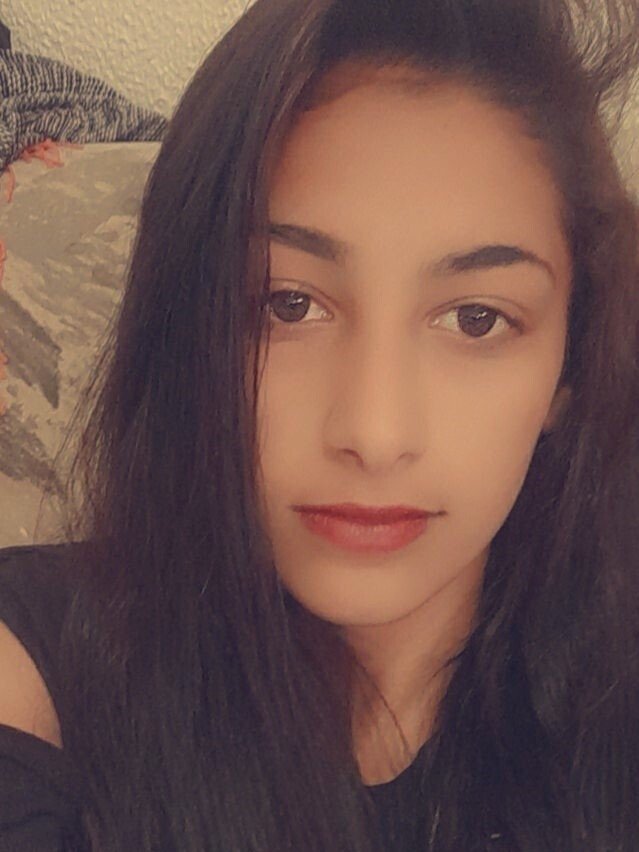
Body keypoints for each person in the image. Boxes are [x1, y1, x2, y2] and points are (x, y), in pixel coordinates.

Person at [1, 0, 638, 849]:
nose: (374, 434)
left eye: (476, 318)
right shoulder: (33, 668)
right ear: (185, 325)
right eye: (287, 304)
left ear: (568, 368)